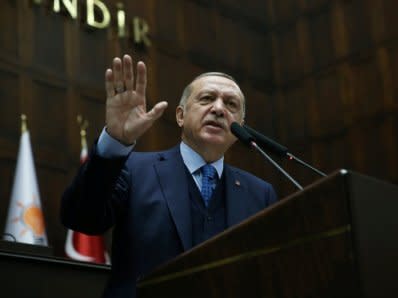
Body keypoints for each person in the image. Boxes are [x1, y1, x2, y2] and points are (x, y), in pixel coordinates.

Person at [61, 54, 277, 298]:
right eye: (207, 99)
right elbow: (81, 218)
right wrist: (115, 141)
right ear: (180, 116)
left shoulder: (261, 194)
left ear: (240, 127)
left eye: (231, 105)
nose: (218, 109)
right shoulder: (134, 169)